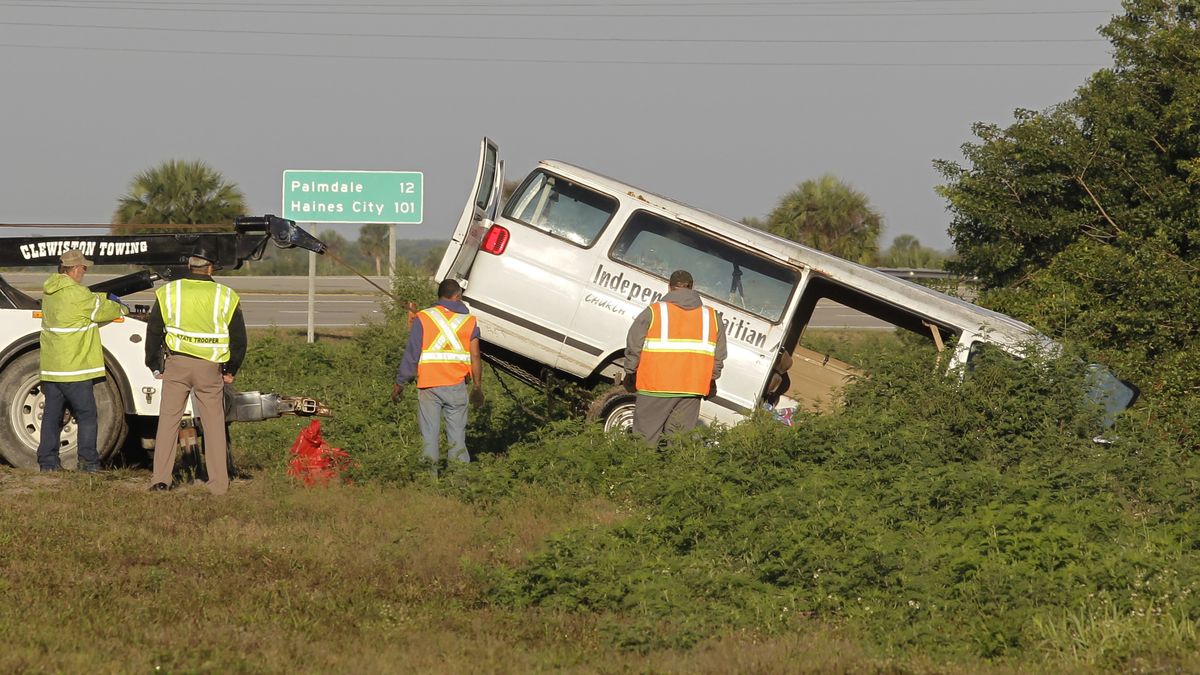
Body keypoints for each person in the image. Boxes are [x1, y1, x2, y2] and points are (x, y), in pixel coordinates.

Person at [144, 249, 247, 494]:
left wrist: (154, 364)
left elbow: (154, 330)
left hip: (177, 365)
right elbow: (239, 339)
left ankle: (161, 480)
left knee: (168, 422)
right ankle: (219, 485)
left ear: (190, 267)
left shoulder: (169, 292)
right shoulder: (226, 296)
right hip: (210, 368)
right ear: (210, 268)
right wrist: (231, 369)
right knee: (213, 425)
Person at [36, 249, 128, 472]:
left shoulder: (50, 292)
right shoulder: (78, 294)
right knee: (87, 415)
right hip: (74, 369)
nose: (84, 273)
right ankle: (88, 464)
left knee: (51, 416)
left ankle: (47, 463)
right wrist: (119, 306)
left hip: (51, 368)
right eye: (84, 268)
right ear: (75, 269)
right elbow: (101, 311)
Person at [623, 269, 727, 445]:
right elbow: (719, 356)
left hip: (655, 386)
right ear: (692, 287)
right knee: (678, 444)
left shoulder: (654, 311)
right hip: (691, 390)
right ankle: (672, 473)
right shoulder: (712, 317)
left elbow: (634, 345)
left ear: (669, 288)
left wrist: (630, 371)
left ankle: (639, 472)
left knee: (643, 441)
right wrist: (711, 379)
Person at [392, 279, 484, 476]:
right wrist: (477, 386)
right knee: (457, 437)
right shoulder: (469, 321)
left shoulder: (424, 317)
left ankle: (428, 483)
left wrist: (400, 383)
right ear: (458, 296)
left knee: (429, 437)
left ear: (439, 296)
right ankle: (459, 482)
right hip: (457, 386)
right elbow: (475, 355)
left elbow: (412, 353)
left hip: (428, 386)